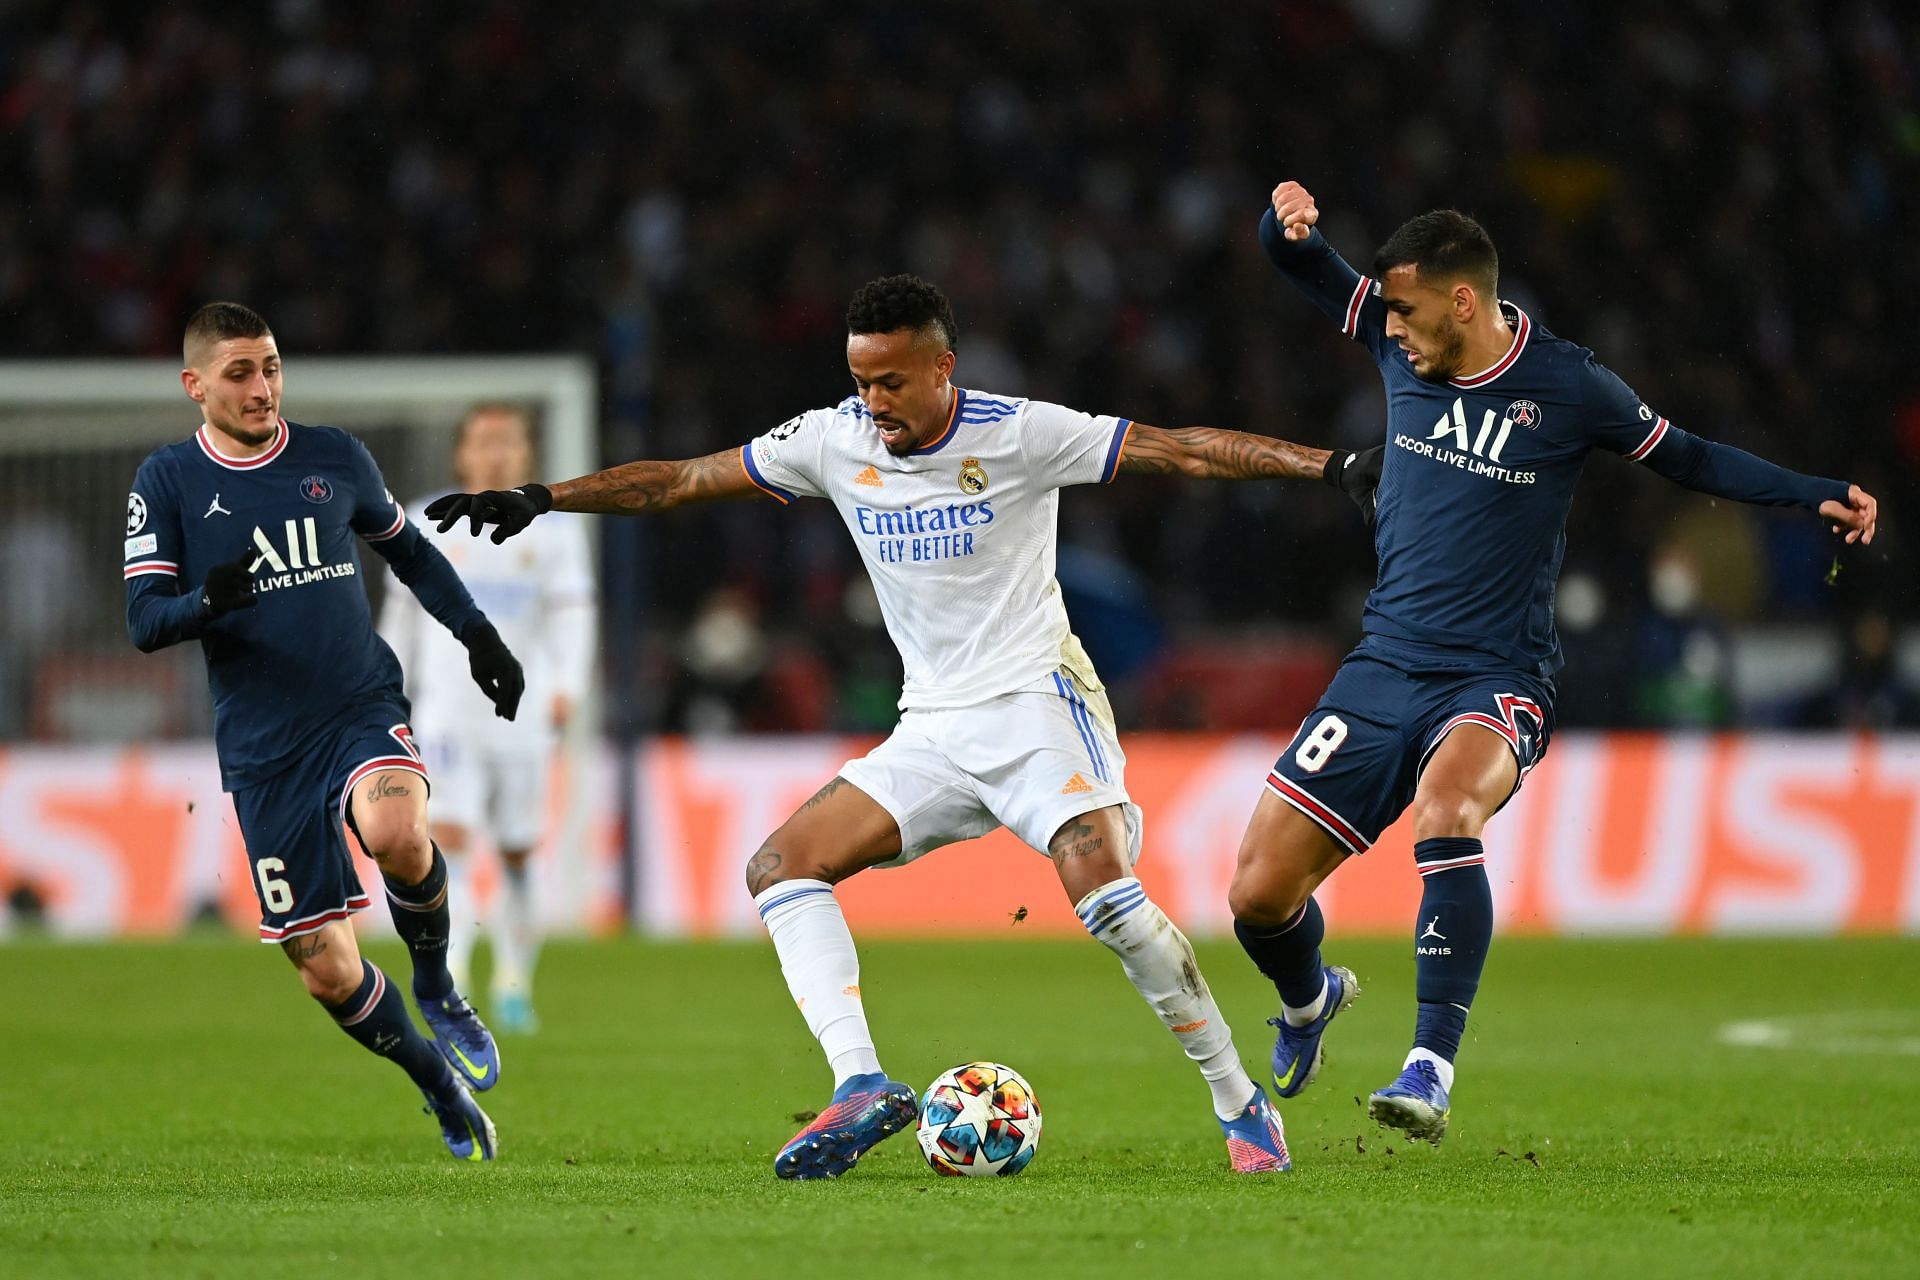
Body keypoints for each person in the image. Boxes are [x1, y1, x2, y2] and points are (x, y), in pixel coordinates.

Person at [429, 274, 1378, 1179]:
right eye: (860, 380)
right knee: (778, 866)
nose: (872, 400)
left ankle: (1238, 1100)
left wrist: (1327, 465)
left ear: (942, 369)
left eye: (890, 380)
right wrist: (544, 498)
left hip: (1039, 706)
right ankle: (861, 1084)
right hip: (932, 728)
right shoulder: (831, 440)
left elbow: (1183, 449)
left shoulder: (1022, 434)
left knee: (1103, 894)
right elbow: (679, 480)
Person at [1231, 181, 1879, 1145]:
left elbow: (1690, 458)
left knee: (1450, 811)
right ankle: (1311, 997)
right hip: (1383, 665)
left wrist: (1812, 492)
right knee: (1256, 898)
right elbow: (1300, 266)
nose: (1388, 328)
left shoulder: (1571, 387)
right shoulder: (1392, 335)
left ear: (1463, 301)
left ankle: (1430, 1066)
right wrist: (1281, 225)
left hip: (1495, 675)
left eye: (1405, 310)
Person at [124, 302, 528, 1160]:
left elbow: (409, 552)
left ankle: (437, 984)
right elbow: (143, 619)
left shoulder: (333, 456)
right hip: (265, 748)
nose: (263, 387)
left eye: (271, 367)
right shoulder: (166, 482)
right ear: (195, 386)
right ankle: (434, 1080)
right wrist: (206, 604)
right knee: (327, 971)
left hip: (358, 705)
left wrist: (478, 634)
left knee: (395, 828)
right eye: (240, 373)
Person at [381, 403, 597, 1033]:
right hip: (447, 711)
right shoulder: (423, 521)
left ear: (527, 455)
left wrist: (569, 684)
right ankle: (453, 979)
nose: (496, 454)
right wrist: (386, 687)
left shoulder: (554, 533)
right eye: (484, 442)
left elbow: (573, 616)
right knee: (445, 840)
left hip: (523, 715)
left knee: (519, 850)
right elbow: (398, 621)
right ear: (462, 454)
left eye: (509, 443)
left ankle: (513, 978)